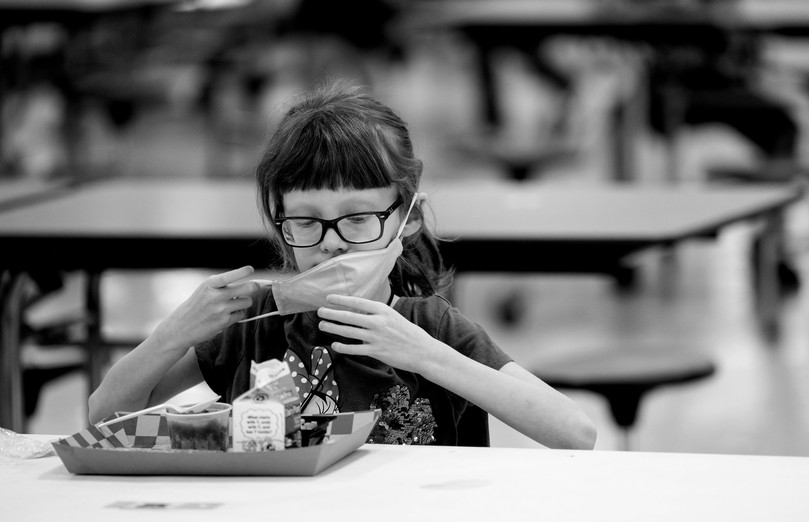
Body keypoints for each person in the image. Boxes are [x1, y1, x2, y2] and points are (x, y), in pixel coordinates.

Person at [88, 81, 597, 450]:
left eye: (357, 220)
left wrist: (423, 355)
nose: (332, 244)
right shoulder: (254, 325)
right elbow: (104, 416)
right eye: (306, 222)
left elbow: (574, 433)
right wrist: (171, 335)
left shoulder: (430, 326)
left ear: (407, 220)